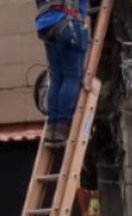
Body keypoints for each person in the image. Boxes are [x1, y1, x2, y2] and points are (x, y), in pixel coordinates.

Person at [36, 0, 89, 143]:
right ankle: (63, 124)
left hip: (46, 25)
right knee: (72, 76)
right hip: (68, 21)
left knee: (57, 77)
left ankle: (52, 125)